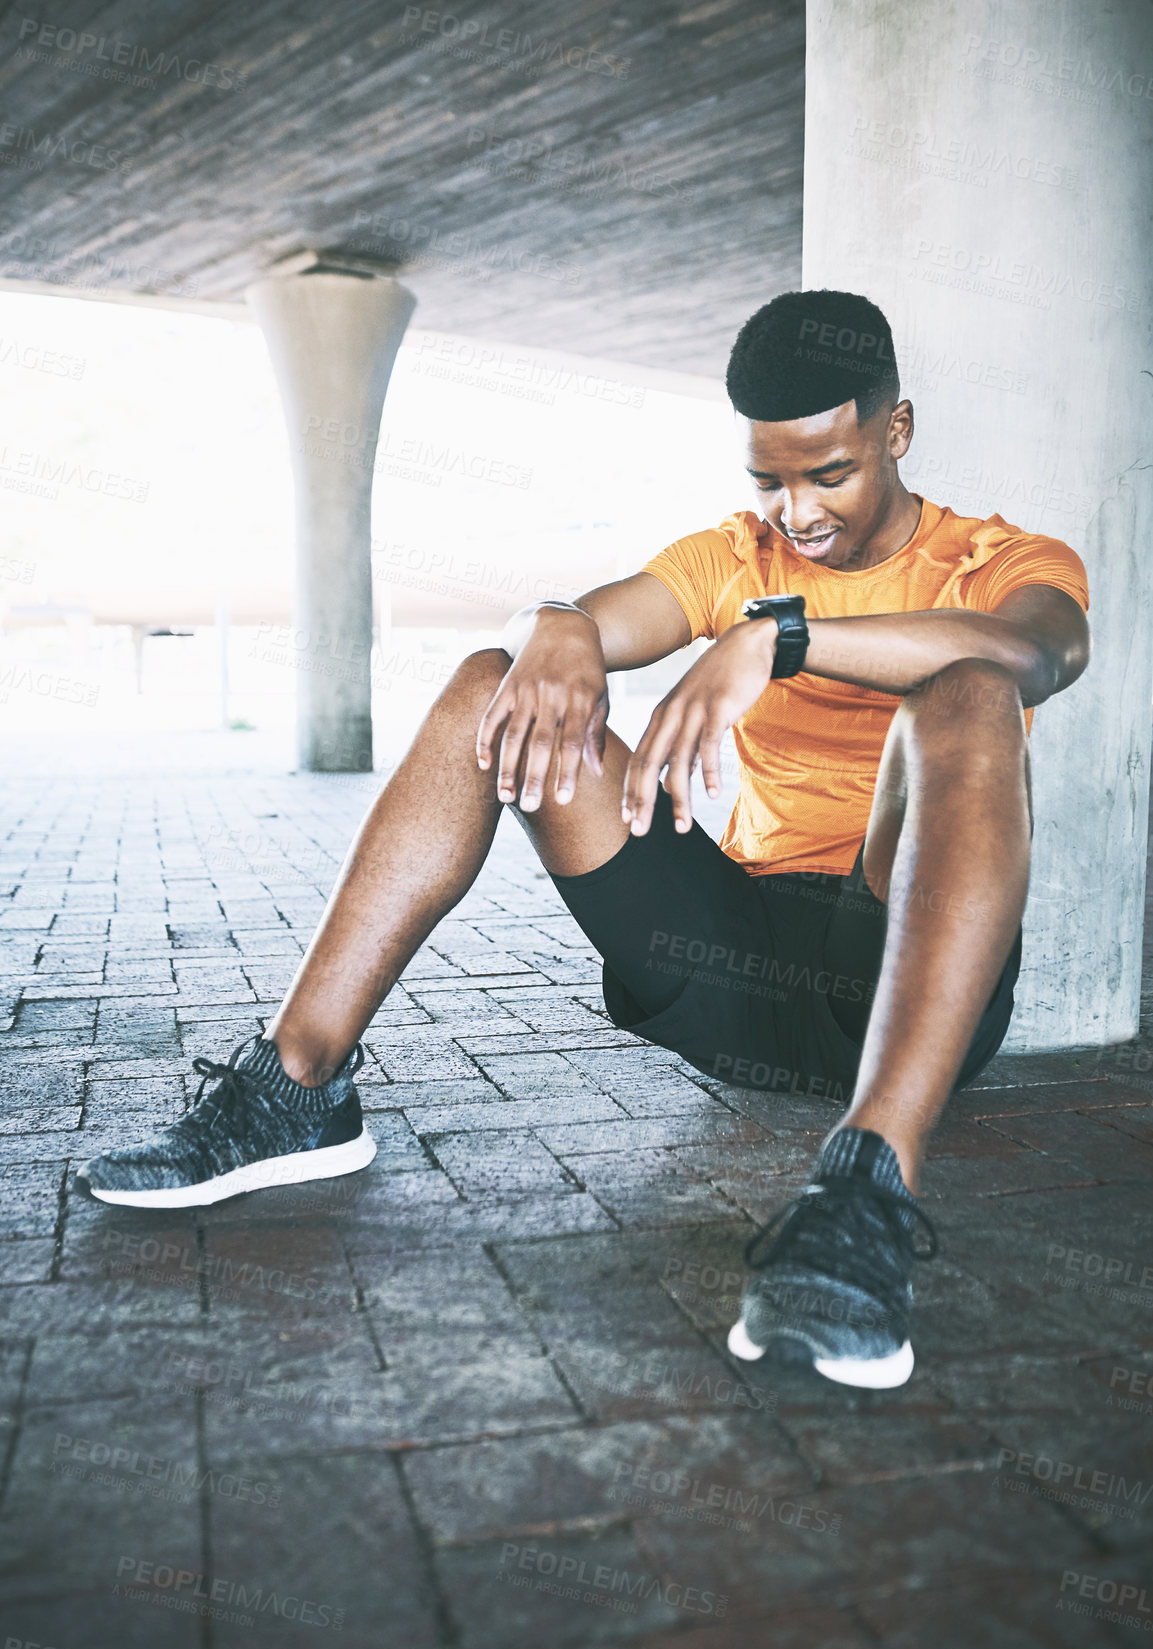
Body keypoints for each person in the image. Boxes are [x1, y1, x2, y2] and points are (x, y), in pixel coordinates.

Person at [77, 289, 1090, 1390]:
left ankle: (863, 1190)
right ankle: (296, 1087)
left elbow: (1033, 654)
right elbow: (573, 630)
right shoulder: (732, 557)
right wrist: (551, 625)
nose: (796, 512)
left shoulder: (999, 560)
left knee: (969, 697)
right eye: (769, 478)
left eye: (828, 474)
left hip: (905, 966)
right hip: (735, 960)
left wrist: (781, 640)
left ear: (894, 432)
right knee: (487, 689)